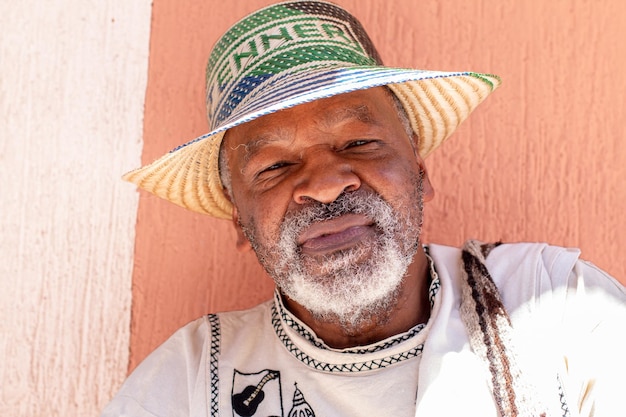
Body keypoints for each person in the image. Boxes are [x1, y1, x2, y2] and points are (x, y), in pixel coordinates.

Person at [102, 1, 626, 416]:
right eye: (275, 167)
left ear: (420, 173)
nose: (326, 186)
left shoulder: (560, 312)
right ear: (239, 220)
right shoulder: (193, 380)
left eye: (359, 144)